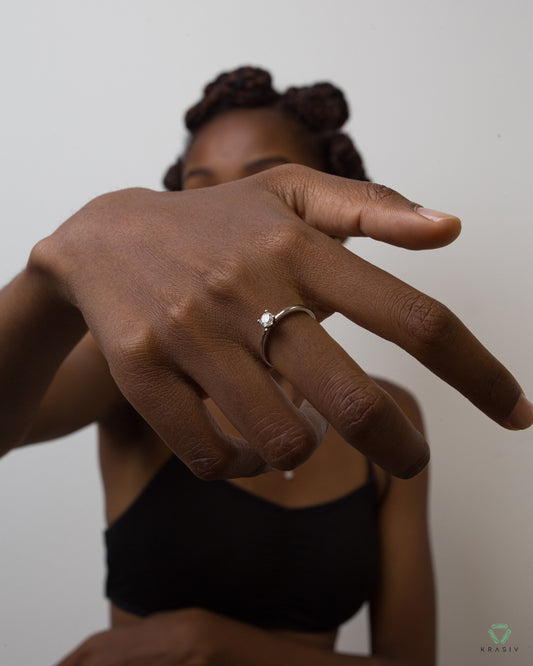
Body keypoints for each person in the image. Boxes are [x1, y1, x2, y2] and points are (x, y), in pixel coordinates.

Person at [0, 67, 531, 666]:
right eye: (200, 194)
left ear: (333, 218)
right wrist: (53, 270)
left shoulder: (388, 413)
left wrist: (212, 644)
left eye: (260, 189)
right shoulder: (128, 364)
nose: (223, 222)